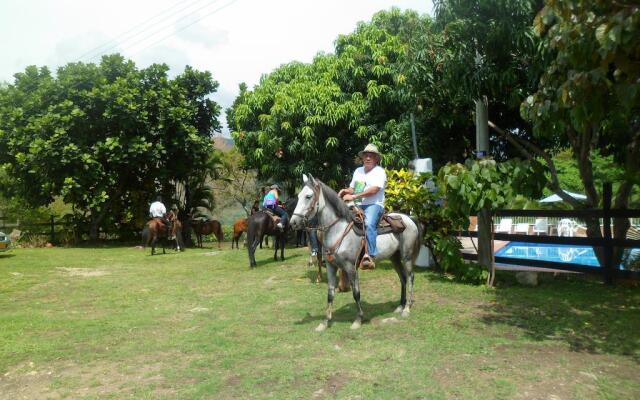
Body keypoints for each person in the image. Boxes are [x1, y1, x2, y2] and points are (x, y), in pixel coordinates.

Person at [338, 143, 387, 269]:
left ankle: (370, 255)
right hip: (358, 204)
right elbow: (353, 188)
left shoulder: (379, 172)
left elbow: (374, 190)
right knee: (341, 221)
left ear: (376, 159)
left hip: (374, 204)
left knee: (369, 224)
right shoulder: (358, 171)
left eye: (371, 156)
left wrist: (353, 197)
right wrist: (345, 191)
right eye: (366, 155)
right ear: (362, 158)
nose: (368, 158)